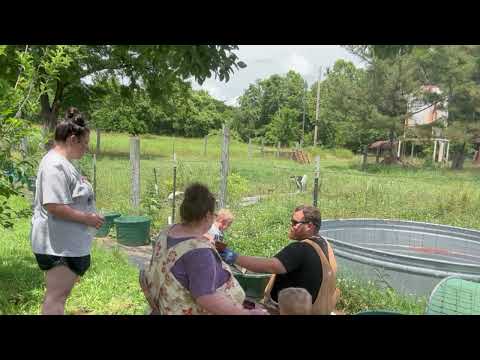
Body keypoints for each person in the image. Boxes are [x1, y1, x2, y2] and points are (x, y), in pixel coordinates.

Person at [139, 183, 267, 315]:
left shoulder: (166, 233)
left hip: (166, 306)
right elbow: (206, 298)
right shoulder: (199, 252)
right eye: (214, 215)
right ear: (207, 215)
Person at [30, 107, 105, 315]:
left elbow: (66, 194)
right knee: (56, 298)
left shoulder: (63, 164)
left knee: (58, 296)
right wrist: (87, 218)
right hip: (58, 246)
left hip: (64, 244)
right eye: (85, 143)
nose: (86, 149)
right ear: (73, 139)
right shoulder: (54, 165)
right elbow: (53, 206)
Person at [218, 205, 340, 315]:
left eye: (295, 222)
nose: (291, 226)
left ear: (309, 226)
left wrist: (235, 257)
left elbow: (271, 266)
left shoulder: (301, 248)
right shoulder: (324, 243)